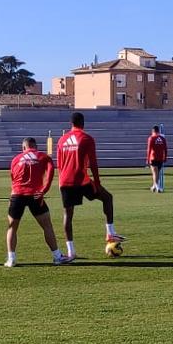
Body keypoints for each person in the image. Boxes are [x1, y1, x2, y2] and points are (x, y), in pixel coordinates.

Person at [57, 112, 124, 262]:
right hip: (81, 180)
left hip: (65, 181)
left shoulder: (62, 140)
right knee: (107, 198)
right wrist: (97, 183)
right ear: (83, 123)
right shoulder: (87, 138)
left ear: (71, 123)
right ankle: (110, 233)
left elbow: (59, 164)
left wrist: (61, 181)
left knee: (68, 216)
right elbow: (93, 163)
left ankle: (71, 252)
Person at [6, 138, 70, 267]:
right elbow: (51, 172)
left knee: (12, 227)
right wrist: (44, 190)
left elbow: (13, 178)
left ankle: (11, 259)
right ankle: (57, 256)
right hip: (35, 195)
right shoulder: (43, 156)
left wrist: (13, 195)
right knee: (47, 226)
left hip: (17, 195)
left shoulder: (16, 159)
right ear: (35, 146)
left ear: (23, 147)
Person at [146, 126, 167, 193]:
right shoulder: (162, 138)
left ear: (153, 131)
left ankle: (157, 187)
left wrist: (147, 159)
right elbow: (166, 149)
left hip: (153, 157)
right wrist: (165, 157)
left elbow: (149, 149)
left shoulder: (151, 138)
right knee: (157, 173)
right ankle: (154, 186)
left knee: (154, 172)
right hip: (160, 157)